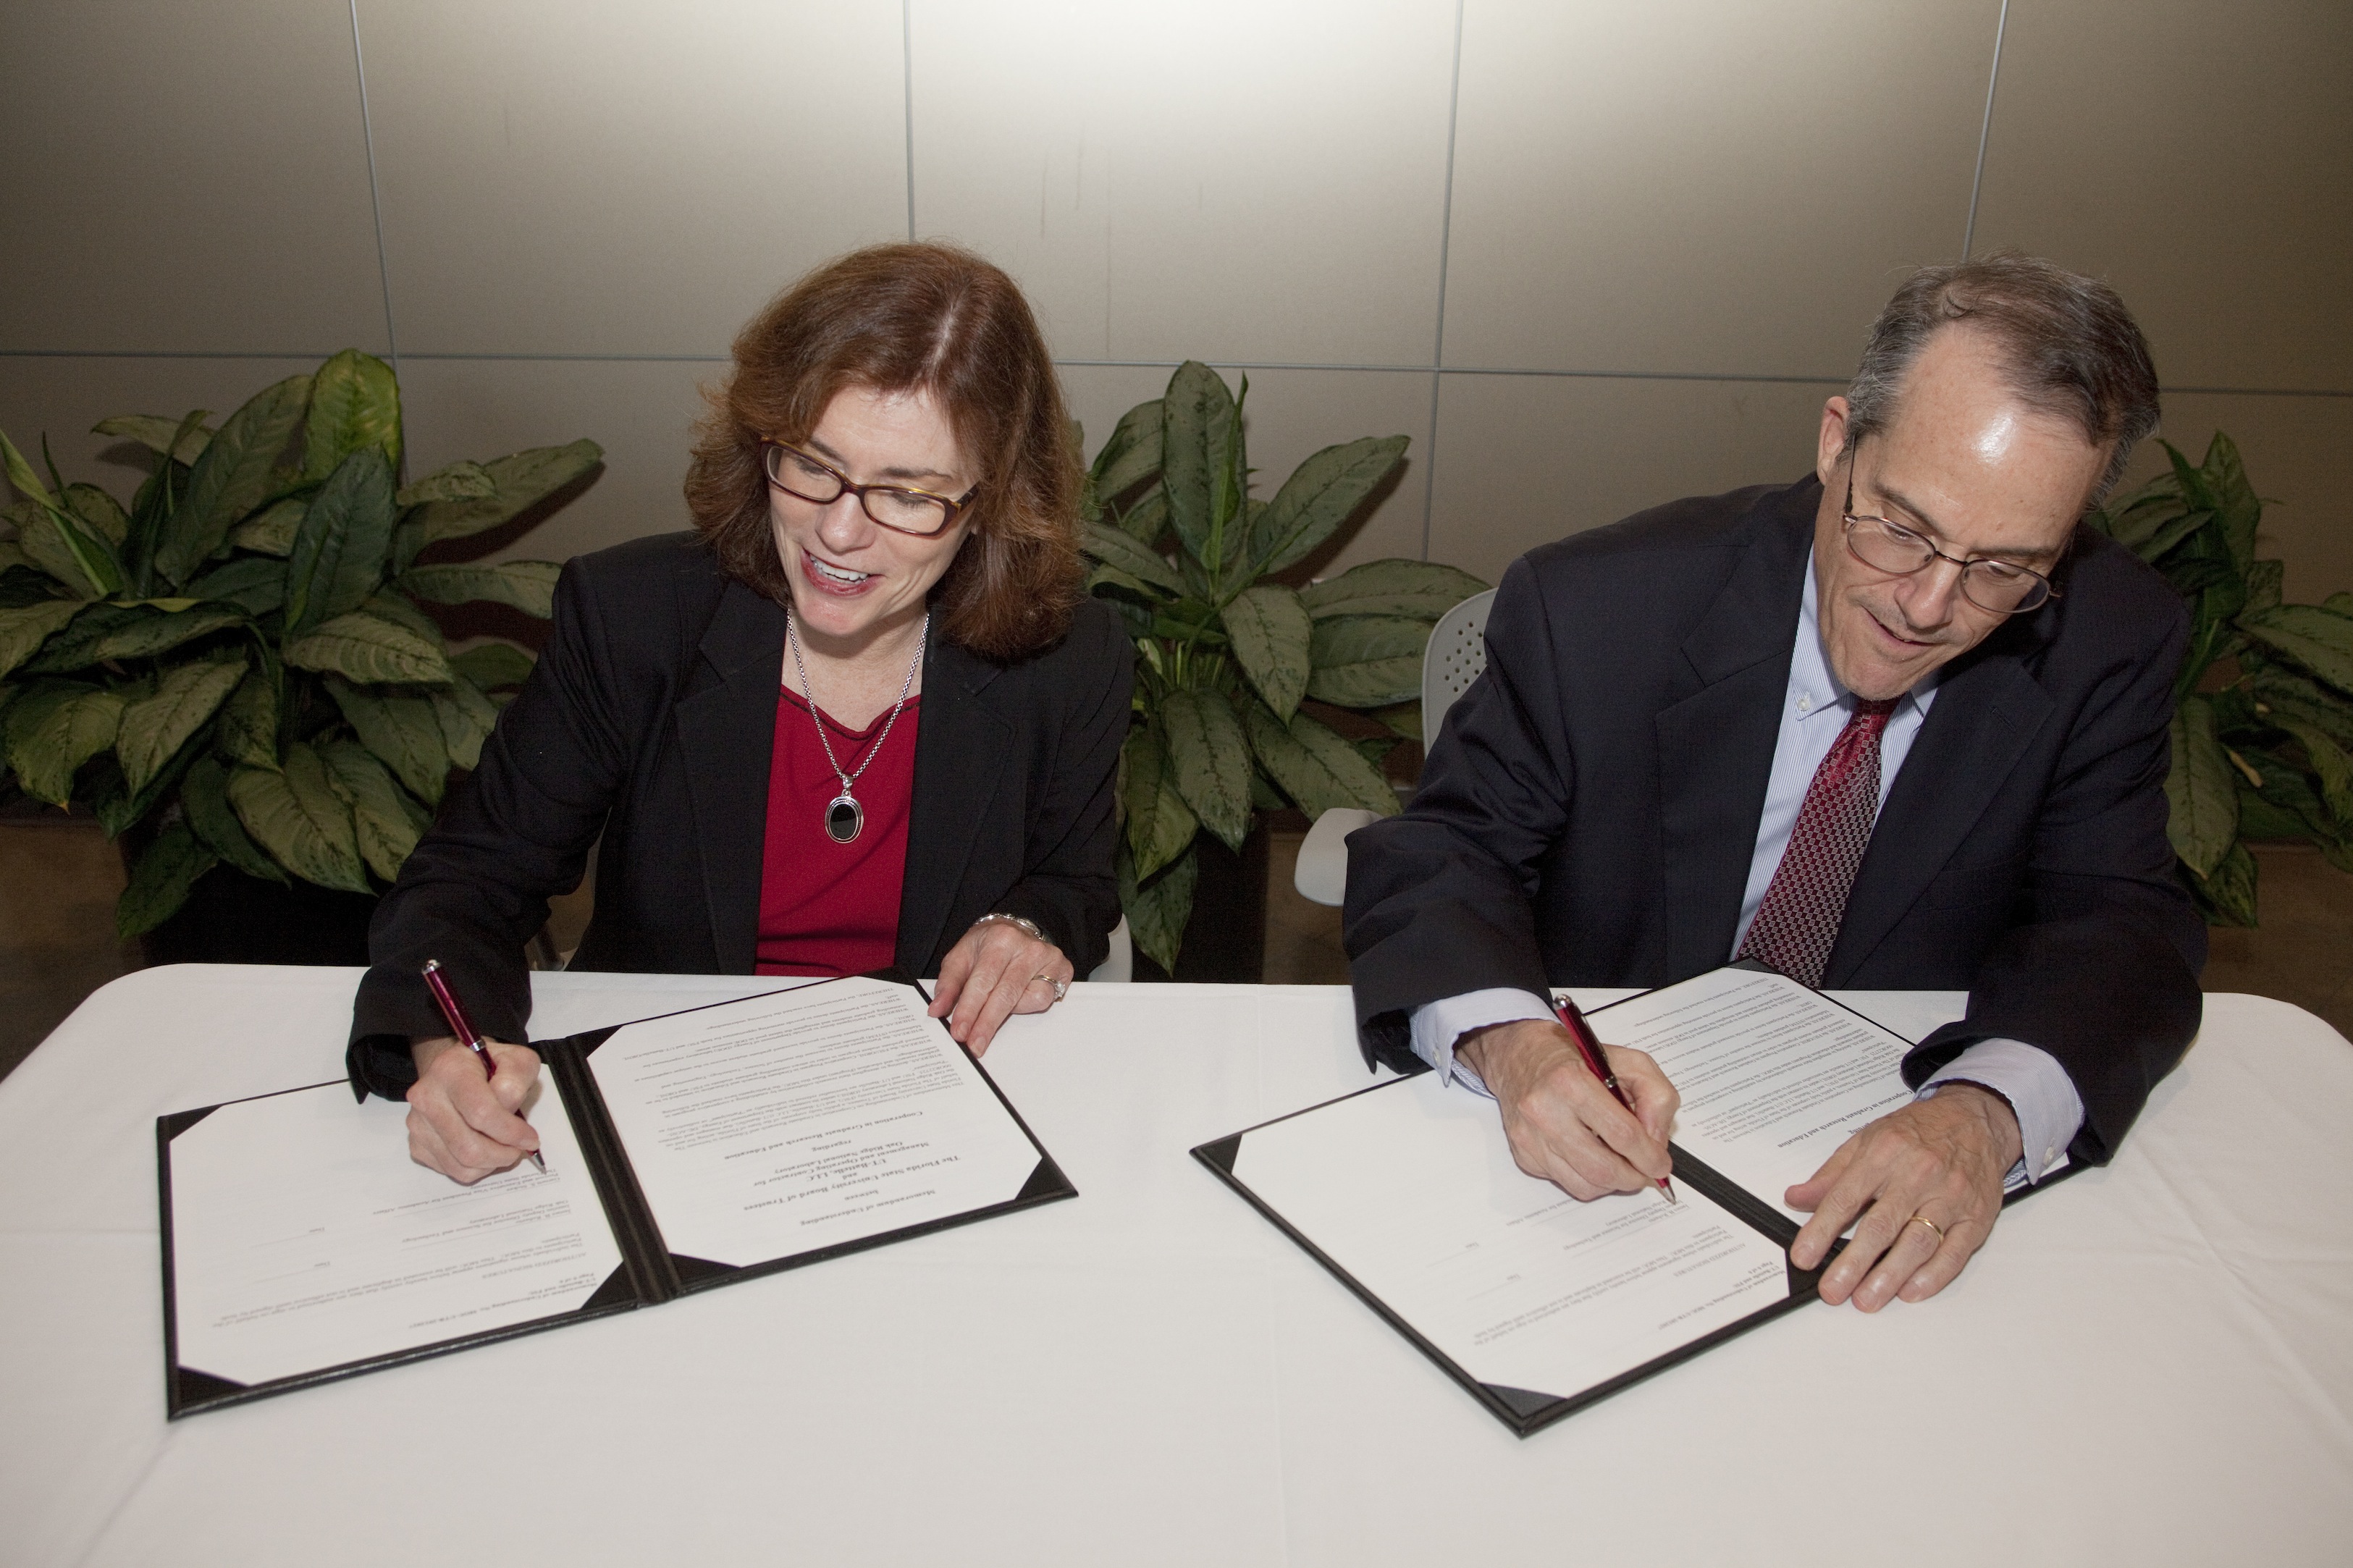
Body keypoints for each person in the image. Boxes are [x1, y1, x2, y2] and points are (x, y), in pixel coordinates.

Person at [1344, 253, 2202, 1312]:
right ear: (1837, 441)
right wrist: (1516, 1049)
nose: (1928, 605)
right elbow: (1443, 853)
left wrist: (1984, 1113)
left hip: (1876, 1148)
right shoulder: (1599, 609)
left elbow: (2119, 918)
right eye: (1900, 526)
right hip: (1590, 1195)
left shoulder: (2107, 637)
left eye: (2003, 568)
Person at [346, 243, 1133, 1184]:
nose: (839, 531)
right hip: (668, 1098)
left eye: (909, 494)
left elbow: (1075, 883)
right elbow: (470, 881)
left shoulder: (1069, 659)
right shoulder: (633, 616)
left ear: (990, 504)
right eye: (812, 464)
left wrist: (1027, 923)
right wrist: (449, 1055)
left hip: (922, 1112)